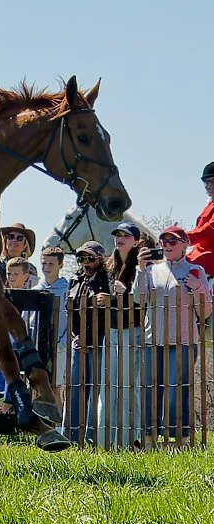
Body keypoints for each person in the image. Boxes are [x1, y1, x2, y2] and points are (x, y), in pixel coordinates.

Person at [134, 225, 210, 444]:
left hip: (184, 342)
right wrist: (139, 269)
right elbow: (139, 299)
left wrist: (197, 288)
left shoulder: (196, 271)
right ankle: (149, 439)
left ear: (185, 244)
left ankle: (180, 439)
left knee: (179, 390)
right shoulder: (150, 271)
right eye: (163, 242)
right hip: (153, 340)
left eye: (172, 241)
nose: (167, 246)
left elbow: (205, 312)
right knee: (150, 390)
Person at [102, 222, 151, 448]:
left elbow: (145, 301)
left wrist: (120, 297)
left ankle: (133, 440)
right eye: (117, 235)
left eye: (126, 236)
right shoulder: (109, 266)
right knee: (107, 387)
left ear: (137, 241)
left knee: (130, 387)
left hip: (134, 331)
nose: (120, 239)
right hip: (110, 331)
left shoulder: (143, 266)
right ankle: (105, 441)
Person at [66, 240, 111, 443]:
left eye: (90, 257)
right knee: (75, 389)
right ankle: (73, 436)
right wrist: (76, 335)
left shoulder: (107, 280)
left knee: (96, 390)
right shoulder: (75, 280)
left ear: (100, 259)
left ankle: (93, 437)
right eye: (81, 258)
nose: (86, 262)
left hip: (100, 341)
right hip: (78, 342)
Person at [185, 162, 214, 275]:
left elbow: (209, 229)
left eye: (212, 181)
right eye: (206, 182)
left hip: (209, 255)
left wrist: (182, 238)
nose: (208, 185)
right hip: (200, 252)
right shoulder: (210, 204)